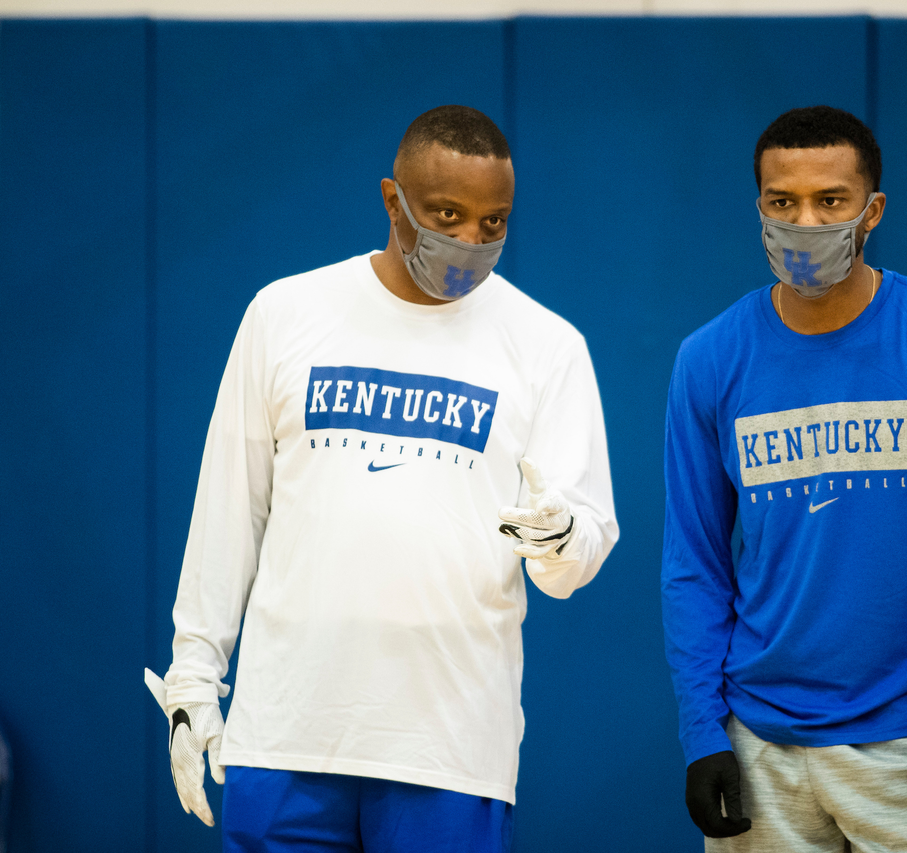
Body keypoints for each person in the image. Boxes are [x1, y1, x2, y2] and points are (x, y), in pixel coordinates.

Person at [144, 104, 618, 853]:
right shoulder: (286, 313)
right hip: (285, 733)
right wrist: (192, 677)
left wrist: (562, 536)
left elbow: (578, 554)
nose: (470, 241)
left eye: (493, 223)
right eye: (446, 214)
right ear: (394, 201)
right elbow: (229, 510)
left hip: (451, 746)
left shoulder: (547, 345)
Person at [661, 105, 907, 852]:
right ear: (758, 206)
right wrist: (703, 732)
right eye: (782, 201)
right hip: (761, 745)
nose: (805, 221)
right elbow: (694, 564)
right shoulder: (709, 359)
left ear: (872, 210)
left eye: (831, 200)